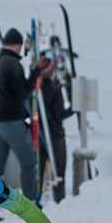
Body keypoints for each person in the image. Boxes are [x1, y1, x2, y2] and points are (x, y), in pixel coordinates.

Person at [0, 27, 43, 220]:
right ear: (17, 45)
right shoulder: (13, 65)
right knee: (28, 162)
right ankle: (32, 204)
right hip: (11, 120)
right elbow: (24, 92)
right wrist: (35, 73)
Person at [37, 55, 75, 203]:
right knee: (59, 171)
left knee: (38, 172)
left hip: (37, 135)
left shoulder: (34, 89)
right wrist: (73, 109)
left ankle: (36, 201)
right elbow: (59, 114)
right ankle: (59, 201)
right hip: (55, 136)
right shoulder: (54, 89)